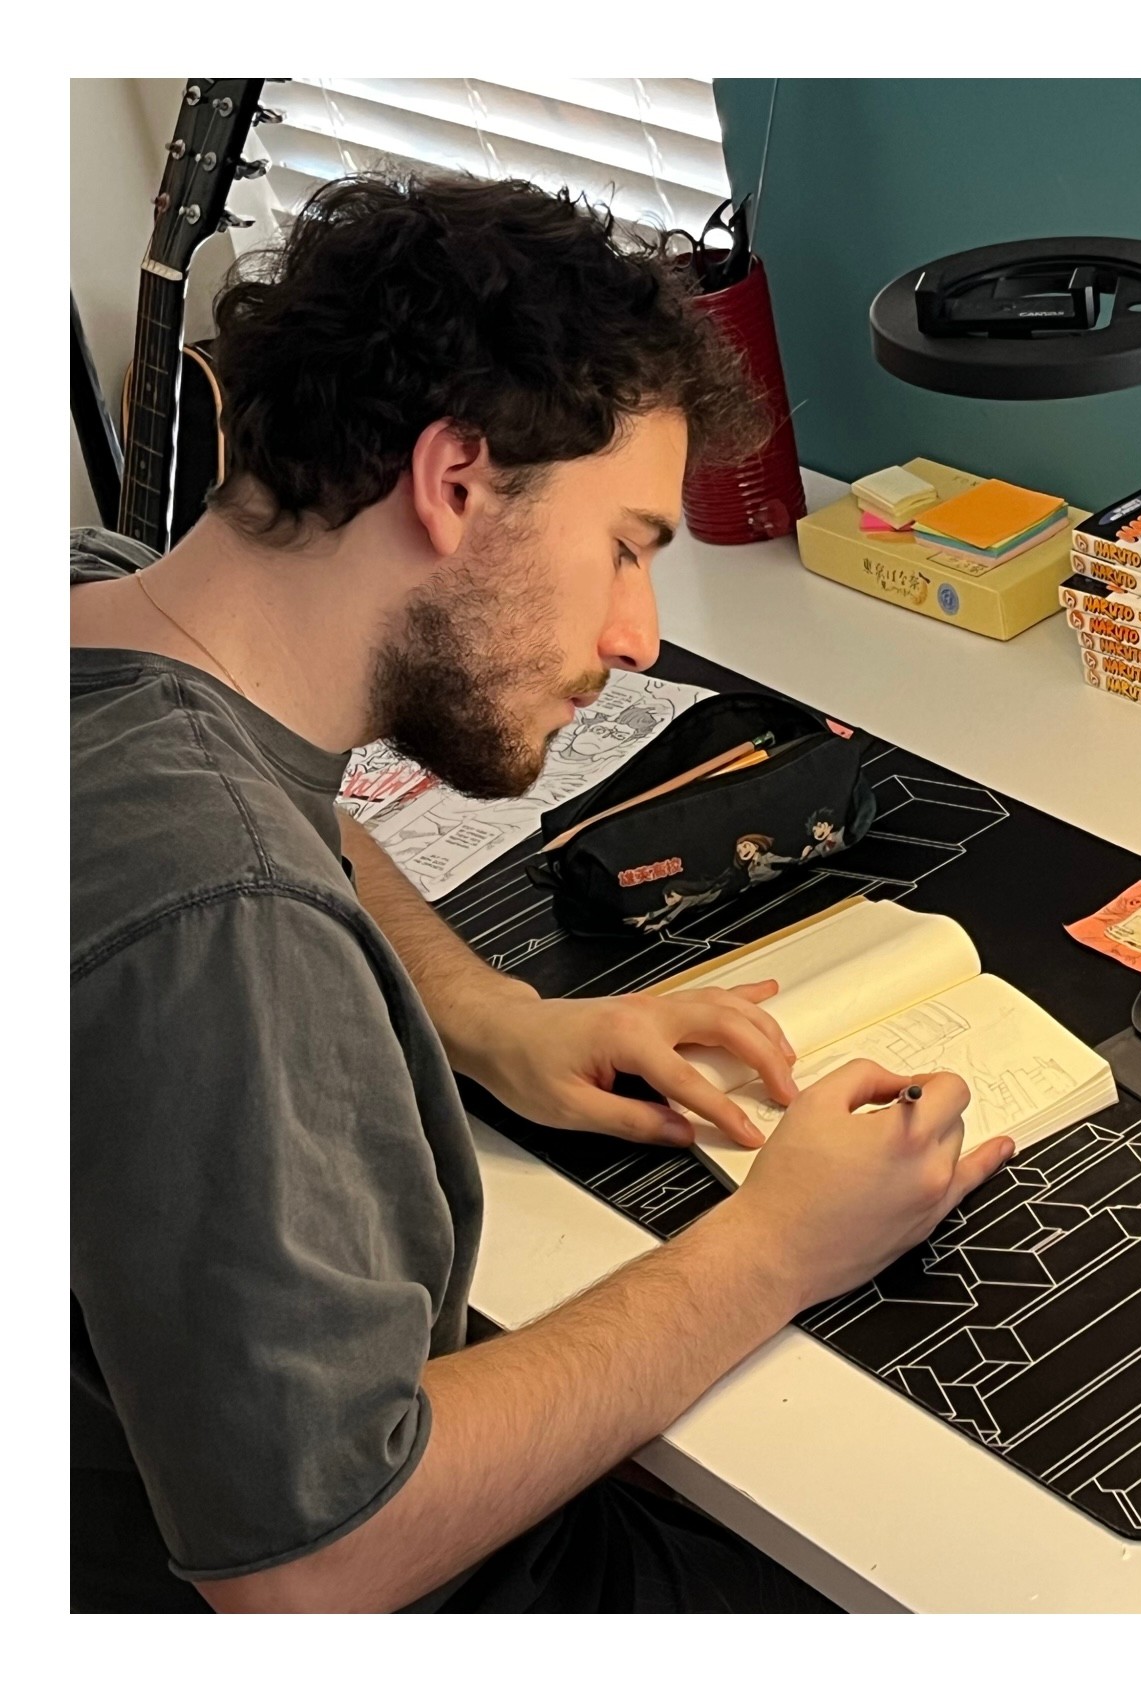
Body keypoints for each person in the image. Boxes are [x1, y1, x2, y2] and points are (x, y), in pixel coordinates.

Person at [70, 172, 1014, 1613]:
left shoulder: (102, 603)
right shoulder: (220, 911)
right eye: (626, 547)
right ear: (455, 483)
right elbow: (312, 1566)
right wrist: (774, 1249)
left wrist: (492, 1016)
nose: (639, 637)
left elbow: (293, 815)